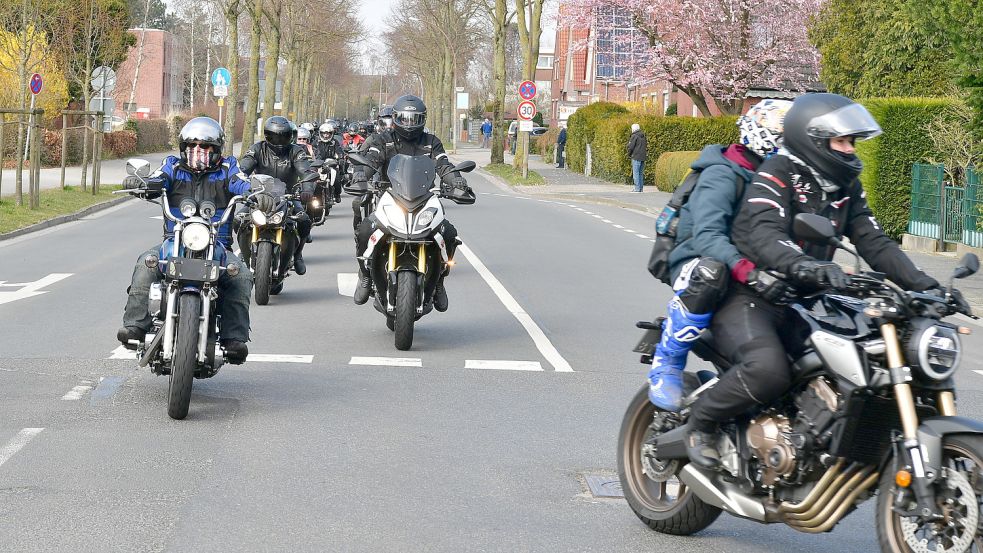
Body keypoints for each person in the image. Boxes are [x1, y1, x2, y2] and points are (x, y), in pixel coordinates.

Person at [683, 93, 954, 469]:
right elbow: (765, 233)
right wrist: (806, 265)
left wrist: (926, 285)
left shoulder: (845, 186)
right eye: (841, 141)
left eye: (852, 142)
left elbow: (873, 241)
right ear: (814, 139)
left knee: (862, 356)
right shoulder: (777, 172)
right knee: (767, 370)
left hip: (808, 298)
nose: (849, 150)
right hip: (752, 295)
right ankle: (701, 425)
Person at [646, 99, 793, 412]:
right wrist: (748, 270)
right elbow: (708, 237)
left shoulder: (778, 180)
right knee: (713, 273)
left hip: (749, 265)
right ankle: (668, 360)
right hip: (699, 263)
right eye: (785, 141)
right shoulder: (723, 175)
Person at [117, 117, 252, 364]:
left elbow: (241, 182)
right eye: (193, 146)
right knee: (146, 263)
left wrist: (254, 193)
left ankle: (234, 337)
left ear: (217, 149)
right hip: (175, 240)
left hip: (217, 242)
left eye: (206, 147)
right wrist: (143, 183)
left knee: (240, 274)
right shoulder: (173, 166)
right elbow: (159, 178)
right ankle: (135, 325)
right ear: (183, 148)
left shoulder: (228, 167)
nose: (198, 151)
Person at [351, 94, 474, 312]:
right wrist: (361, 175)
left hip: (424, 199)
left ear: (422, 120)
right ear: (396, 118)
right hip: (390, 197)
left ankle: (439, 282)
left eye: (414, 119)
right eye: (405, 118)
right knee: (364, 230)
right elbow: (371, 160)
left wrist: (457, 181)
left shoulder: (431, 142)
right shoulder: (383, 140)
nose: (409, 124)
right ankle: (366, 275)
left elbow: (443, 165)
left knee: (448, 233)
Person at [238, 116, 317, 275]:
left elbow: (305, 171)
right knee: (238, 219)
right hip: (259, 195)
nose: (279, 140)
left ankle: (298, 253)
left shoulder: (296, 151)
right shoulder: (257, 149)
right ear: (267, 135)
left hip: (288, 195)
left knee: (304, 220)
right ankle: (243, 253)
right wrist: (241, 183)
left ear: (290, 135)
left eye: (284, 136)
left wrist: (307, 189)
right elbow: (243, 168)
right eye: (275, 136)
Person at [315, 121, 345, 203]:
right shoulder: (317, 142)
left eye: (328, 133)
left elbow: (339, 151)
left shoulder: (335, 142)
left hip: (332, 164)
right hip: (319, 164)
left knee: (337, 179)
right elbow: (314, 152)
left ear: (331, 134)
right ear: (320, 133)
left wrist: (341, 157)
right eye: (324, 133)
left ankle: (337, 194)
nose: (326, 135)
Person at [627, 123, 647, 192]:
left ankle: (637, 188)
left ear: (633, 129)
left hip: (636, 156)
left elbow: (630, 147)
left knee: (636, 173)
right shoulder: (643, 135)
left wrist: (629, 154)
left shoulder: (634, 136)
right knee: (640, 173)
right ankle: (640, 188)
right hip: (643, 157)